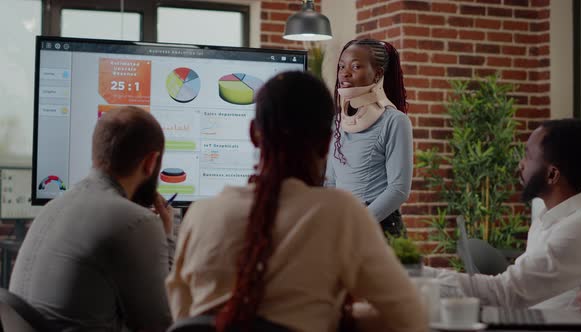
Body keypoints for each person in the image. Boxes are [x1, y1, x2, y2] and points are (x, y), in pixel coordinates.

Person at [165, 72, 428, 332]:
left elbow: (183, 317)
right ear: (327, 144)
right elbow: (410, 319)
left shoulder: (201, 214)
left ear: (254, 134)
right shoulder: (340, 213)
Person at [10, 106, 175, 331]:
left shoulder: (53, 206)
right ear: (151, 161)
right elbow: (162, 325)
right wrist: (168, 238)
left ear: (96, 153)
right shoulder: (137, 222)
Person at [426, 118, 581, 309]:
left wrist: (420, 276)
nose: (521, 164)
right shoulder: (547, 219)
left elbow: (504, 293)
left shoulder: (578, 229)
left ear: (552, 174)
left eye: (528, 156)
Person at [324, 39, 413, 238]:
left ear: (378, 73)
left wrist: (358, 222)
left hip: (379, 228)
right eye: (341, 66)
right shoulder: (336, 123)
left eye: (355, 66)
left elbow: (399, 189)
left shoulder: (395, 121)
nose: (344, 73)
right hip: (343, 223)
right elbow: (330, 181)